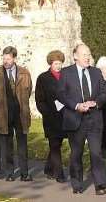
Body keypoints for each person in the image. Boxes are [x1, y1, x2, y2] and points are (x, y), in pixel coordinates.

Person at [57, 44, 106, 195]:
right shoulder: (66, 72)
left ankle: (100, 184)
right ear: (75, 56)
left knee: (96, 152)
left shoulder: (96, 72)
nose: (87, 57)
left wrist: (96, 102)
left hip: (94, 118)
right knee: (76, 153)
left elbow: (105, 93)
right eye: (84, 54)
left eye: (89, 54)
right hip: (75, 118)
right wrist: (76, 105)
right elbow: (61, 94)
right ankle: (77, 184)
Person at [0, 46, 33, 182]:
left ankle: (24, 173)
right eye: (4, 59)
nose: (6, 61)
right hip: (3, 113)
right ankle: (9, 173)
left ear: (14, 58)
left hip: (20, 113)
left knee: (22, 145)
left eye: (8, 59)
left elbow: (29, 89)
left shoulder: (25, 73)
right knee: (6, 145)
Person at [35, 50, 67, 183]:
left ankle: (49, 168)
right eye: (56, 63)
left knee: (57, 144)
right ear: (50, 63)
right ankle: (59, 173)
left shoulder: (66, 76)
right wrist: (46, 113)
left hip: (65, 116)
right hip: (51, 117)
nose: (58, 66)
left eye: (60, 63)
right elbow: (39, 99)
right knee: (54, 144)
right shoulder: (43, 78)